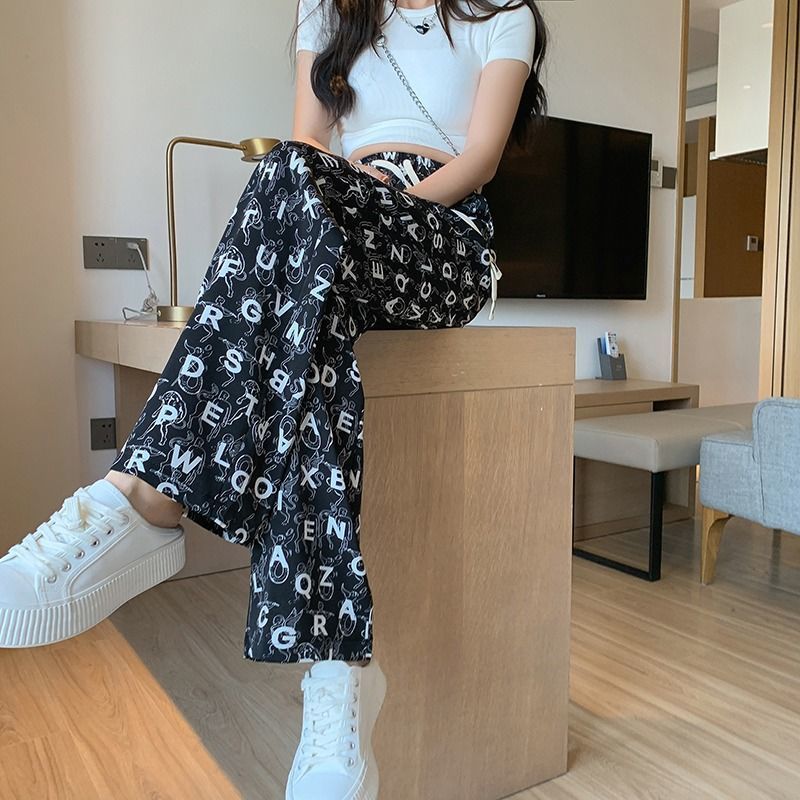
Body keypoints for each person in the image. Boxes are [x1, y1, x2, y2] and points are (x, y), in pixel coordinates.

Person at [0, 1, 547, 797]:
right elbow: (307, 141)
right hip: (331, 211)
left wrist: (374, 206)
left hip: (440, 233)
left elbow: (482, 158)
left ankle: (148, 495)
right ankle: (338, 671)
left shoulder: (503, 13)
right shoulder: (331, 8)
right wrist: (337, 199)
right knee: (306, 293)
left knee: (296, 194)